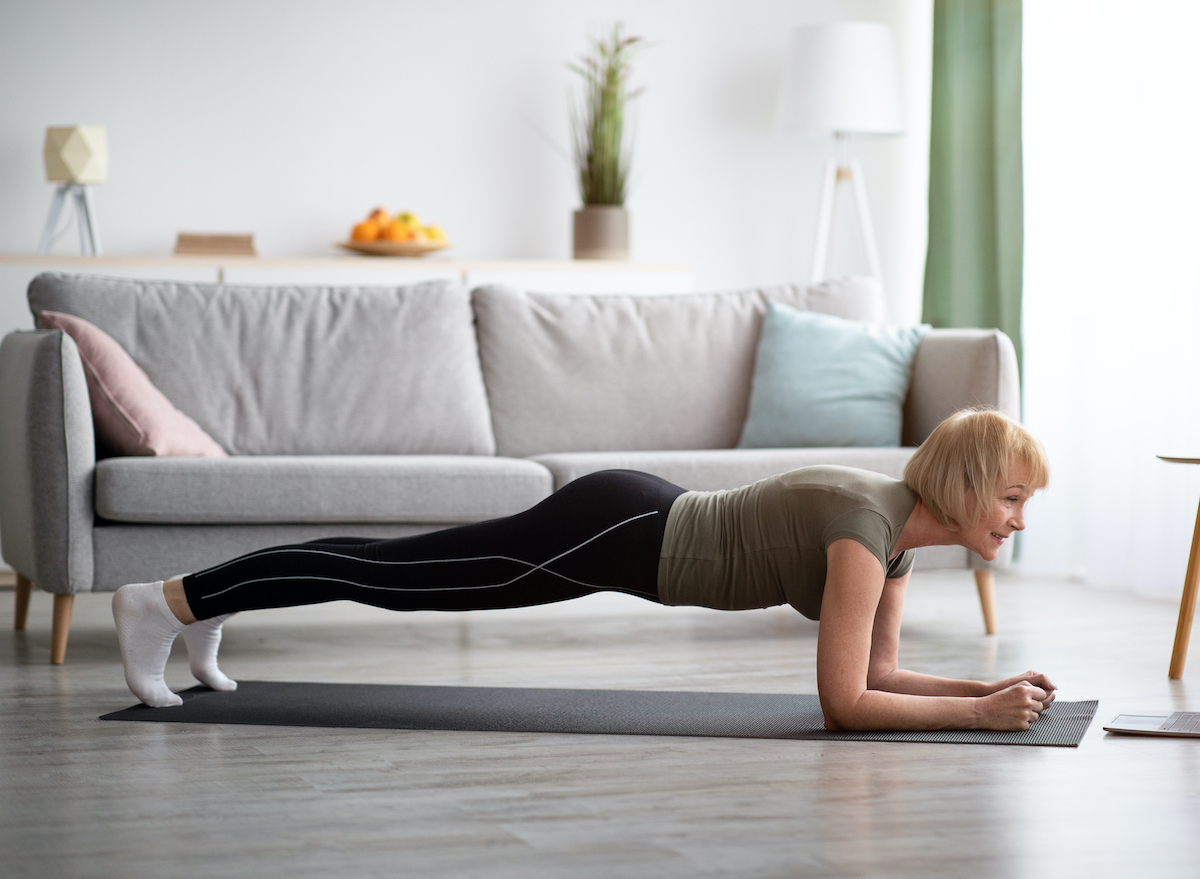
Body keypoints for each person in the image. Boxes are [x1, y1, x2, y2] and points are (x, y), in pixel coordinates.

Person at [113, 407, 1054, 732]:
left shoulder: (895, 542)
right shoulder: (865, 528)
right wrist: (975, 712)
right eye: (1010, 497)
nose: (1016, 520)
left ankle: (202, 603)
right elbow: (845, 705)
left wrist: (990, 685)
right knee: (399, 575)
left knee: (400, 572)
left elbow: (881, 677)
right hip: (620, 527)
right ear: (967, 486)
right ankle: (167, 600)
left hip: (635, 522)